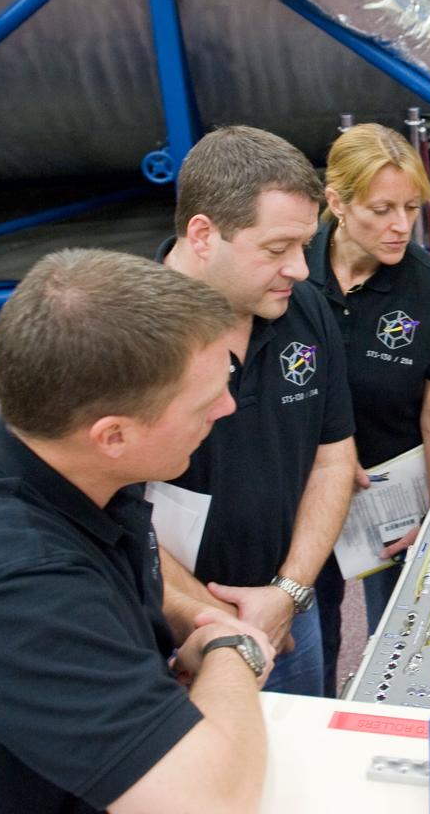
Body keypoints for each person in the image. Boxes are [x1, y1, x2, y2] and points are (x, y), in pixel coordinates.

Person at [0, 250, 273, 814]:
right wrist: (233, 647)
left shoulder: (53, 452)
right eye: (205, 402)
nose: (228, 407)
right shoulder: (16, 584)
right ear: (112, 435)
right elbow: (210, 801)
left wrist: (195, 618)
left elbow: (132, 578)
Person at [158, 125, 357, 698]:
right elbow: (114, 515)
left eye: (305, 244)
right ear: (202, 234)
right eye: (276, 249)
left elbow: (332, 460)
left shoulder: (306, 310)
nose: (300, 267)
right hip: (173, 631)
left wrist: (287, 595)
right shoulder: (127, 338)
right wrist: (220, 624)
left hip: (289, 612)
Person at [306, 123, 430, 693]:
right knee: (309, 626)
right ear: (336, 202)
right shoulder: (291, 271)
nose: (401, 225)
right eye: (381, 209)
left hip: (390, 494)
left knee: (400, 636)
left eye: (411, 206)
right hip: (301, 485)